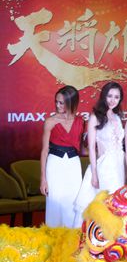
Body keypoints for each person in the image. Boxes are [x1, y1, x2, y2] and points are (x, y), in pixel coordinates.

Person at [73, 82, 126, 227]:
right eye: (110, 96)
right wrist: (94, 174)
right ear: (103, 96)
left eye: (116, 97)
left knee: (116, 205)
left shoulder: (117, 117)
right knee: (103, 205)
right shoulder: (95, 117)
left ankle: (111, 237)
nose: (113, 100)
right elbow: (91, 148)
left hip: (119, 166)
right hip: (104, 167)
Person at [40, 85, 85, 228]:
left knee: (73, 203)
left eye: (62, 103)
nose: (58, 105)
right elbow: (44, 151)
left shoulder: (81, 121)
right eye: (56, 102)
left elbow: (83, 149)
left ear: (71, 103)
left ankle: (73, 238)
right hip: (55, 164)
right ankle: (54, 237)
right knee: (55, 203)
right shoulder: (50, 121)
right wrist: (43, 179)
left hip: (74, 165)